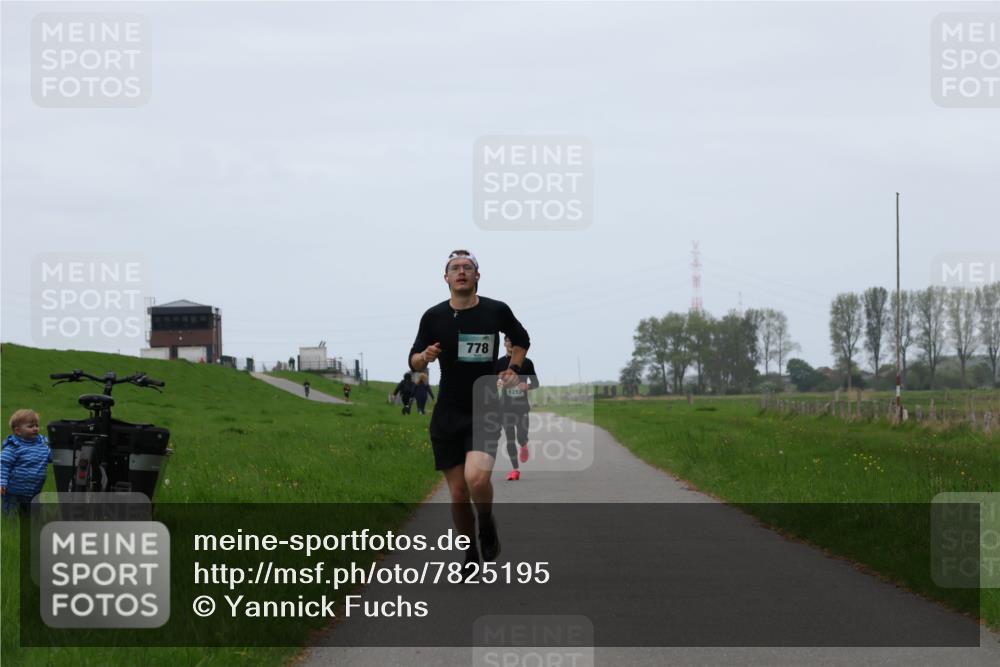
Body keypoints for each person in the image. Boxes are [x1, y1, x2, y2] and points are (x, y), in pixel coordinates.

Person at [409, 249, 530, 569]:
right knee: (459, 493)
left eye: (468, 267)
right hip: (448, 412)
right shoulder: (433, 317)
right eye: (454, 268)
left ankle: (487, 523)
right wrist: (426, 356)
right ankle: (470, 554)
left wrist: (513, 367)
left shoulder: (496, 310)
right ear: (446, 278)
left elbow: (521, 339)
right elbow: (414, 359)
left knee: (477, 480)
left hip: (484, 407)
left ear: (477, 276)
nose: (461, 271)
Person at [495, 335, 540, 481]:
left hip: (521, 406)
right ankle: (515, 470)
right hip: (505, 406)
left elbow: (536, 383)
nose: (510, 343)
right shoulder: (499, 363)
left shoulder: (526, 363)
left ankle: (524, 443)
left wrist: (526, 385)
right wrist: (497, 384)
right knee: (509, 437)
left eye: (513, 341)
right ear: (504, 344)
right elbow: (490, 383)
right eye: (508, 341)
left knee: (521, 435)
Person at [1, 409, 51, 517]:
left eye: (36, 425)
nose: (35, 428)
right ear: (18, 431)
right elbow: (3, 465)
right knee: (11, 515)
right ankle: (10, 525)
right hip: (14, 490)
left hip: (34, 489)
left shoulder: (42, 444)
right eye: (30, 426)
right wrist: (2, 482)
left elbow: (51, 457)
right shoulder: (13, 446)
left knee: (30, 514)